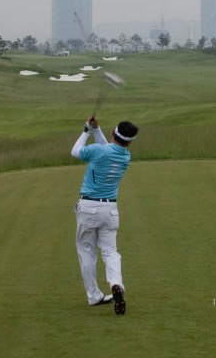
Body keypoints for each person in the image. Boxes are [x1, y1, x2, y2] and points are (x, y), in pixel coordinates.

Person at [71, 115, 139, 315]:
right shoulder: (125, 156)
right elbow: (108, 148)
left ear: (113, 132)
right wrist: (96, 130)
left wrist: (86, 130)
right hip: (110, 211)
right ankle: (116, 283)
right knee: (110, 251)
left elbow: (75, 152)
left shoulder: (98, 151)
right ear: (129, 141)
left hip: (88, 208)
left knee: (87, 252)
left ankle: (94, 295)